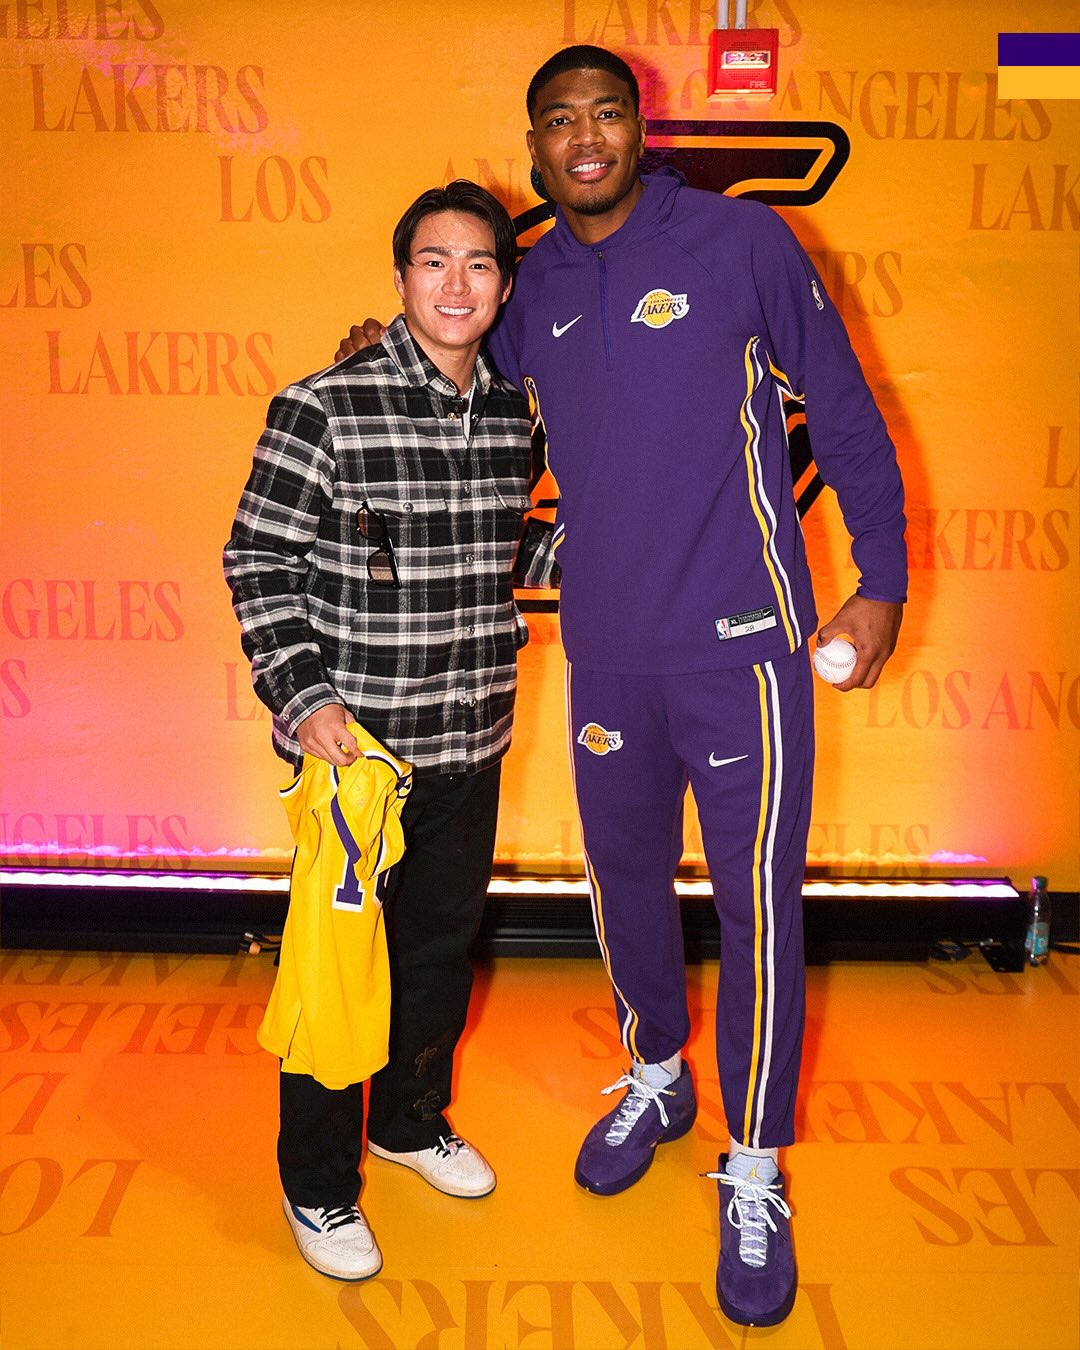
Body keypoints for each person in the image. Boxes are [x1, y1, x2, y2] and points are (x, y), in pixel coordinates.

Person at [338, 45, 906, 1327]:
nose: (585, 136)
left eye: (606, 113)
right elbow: (452, 388)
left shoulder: (741, 243)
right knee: (624, 886)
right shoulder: (529, 284)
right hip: (606, 651)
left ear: (640, 129)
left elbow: (845, 409)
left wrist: (881, 579)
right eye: (559, 120)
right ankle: (658, 1070)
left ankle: (752, 1161)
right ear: (533, 145)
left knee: (757, 908)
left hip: (744, 644)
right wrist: (377, 357)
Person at [224, 179, 533, 1282]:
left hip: (473, 739)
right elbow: (257, 560)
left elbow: (508, 552)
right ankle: (317, 1184)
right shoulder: (324, 406)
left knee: (439, 954)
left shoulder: (515, 413)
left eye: (480, 263)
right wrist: (305, 699)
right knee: (335, 971)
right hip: (360, 761)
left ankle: (407, 1121)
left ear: (504, 285)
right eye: (434, 262)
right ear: (401, 278)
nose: (457, 283)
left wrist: (631, 553)